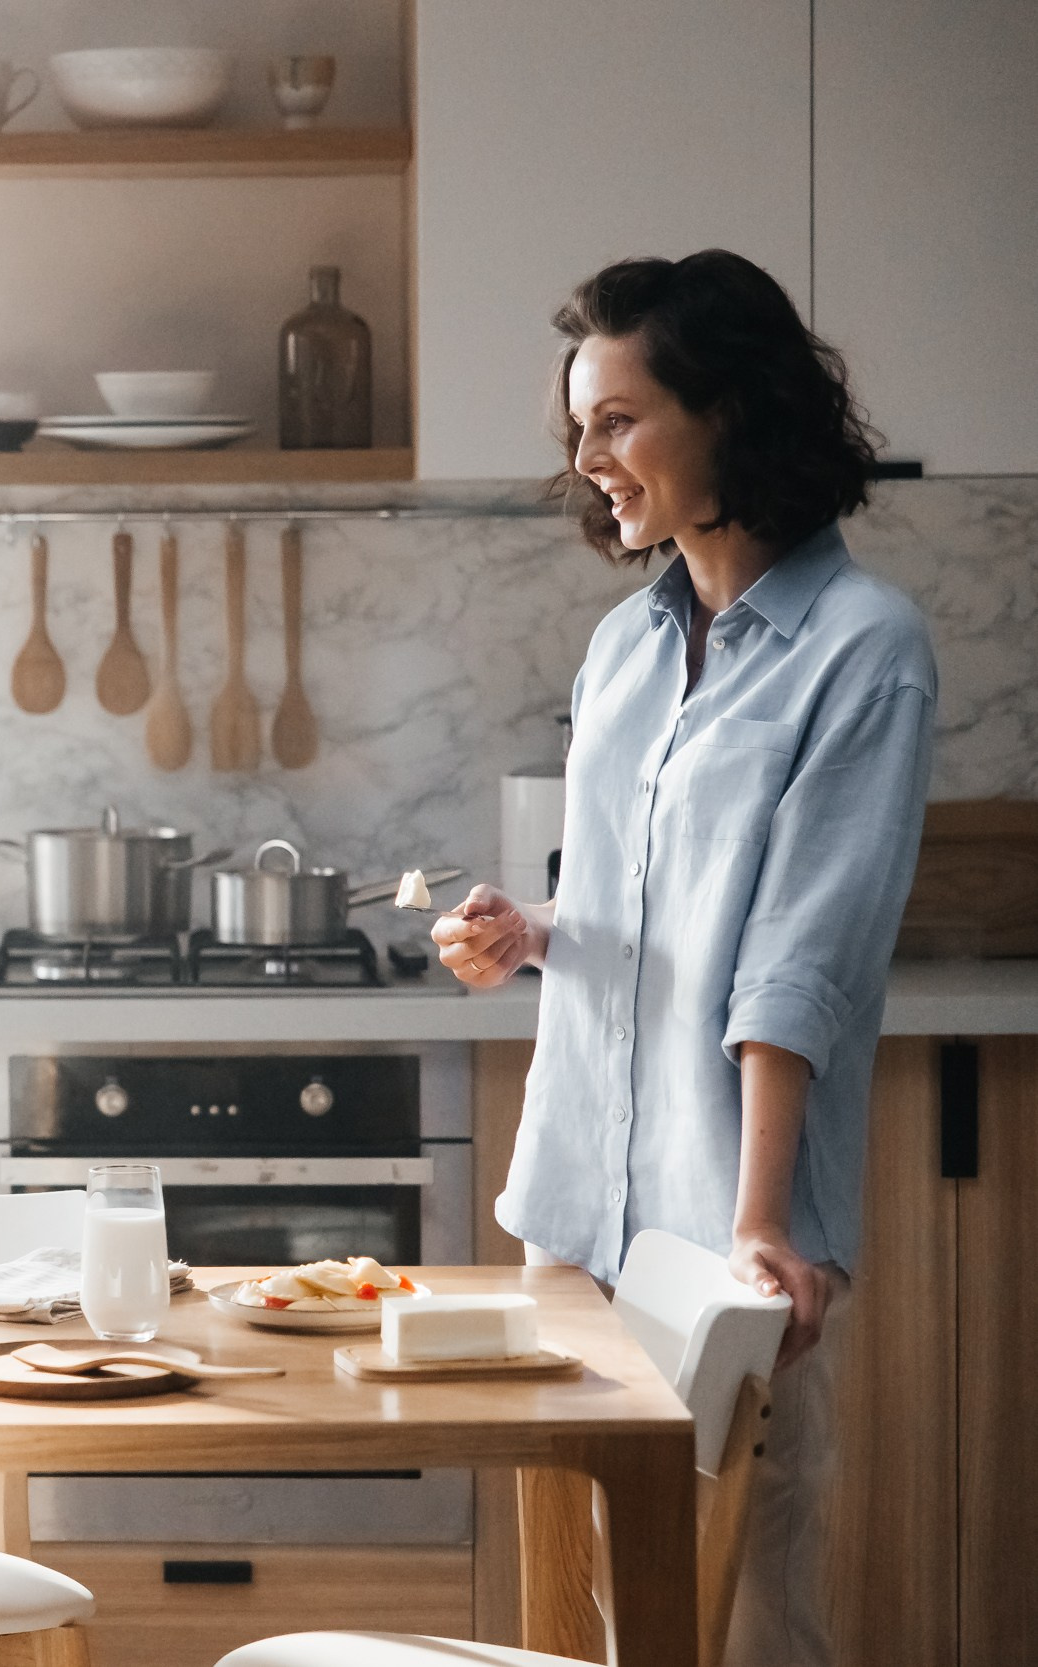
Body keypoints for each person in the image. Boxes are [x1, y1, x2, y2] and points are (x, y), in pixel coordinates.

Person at [434, 250, 934, 1665]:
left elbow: (797, 959)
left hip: (726, 1221)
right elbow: (639, 903)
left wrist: (762, 1219)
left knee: (746, 1604)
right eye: (579, 425)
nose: (587, 458)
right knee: (594, 1605)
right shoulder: (626, 645)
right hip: (574, 1204)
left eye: (619, 419)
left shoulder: (864, 649)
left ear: (731, 411)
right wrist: (532, 933)